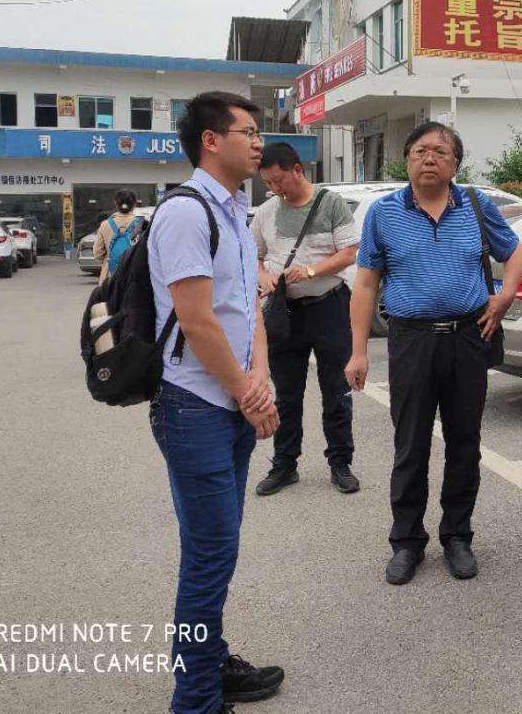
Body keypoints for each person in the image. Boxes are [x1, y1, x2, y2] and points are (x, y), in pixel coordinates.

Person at [147, 91, 285, 714]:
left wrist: (260, 378)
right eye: (247, 132)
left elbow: (247, 305)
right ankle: (196, 699)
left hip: (228, 399)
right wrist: (245, 392)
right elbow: (197, 320)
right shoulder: (185, 212)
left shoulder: (234, 210)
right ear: (210, 140)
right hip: (194, 405)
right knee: (209, 553)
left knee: (218, 547)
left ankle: (210, 661)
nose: (258, 143)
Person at [345, 122, 522, 586]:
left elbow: (514, 252)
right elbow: (365, 285)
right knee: (411, 444)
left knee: (465, 442)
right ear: (406, 159)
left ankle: (457, 536)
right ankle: (406, 541)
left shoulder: (477, 206)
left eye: (440, 152)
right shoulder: (384, 213)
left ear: (455, 164)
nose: (429, 158)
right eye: (420, 150)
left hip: (469, 338)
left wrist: (504, 296)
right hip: (411, 340)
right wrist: (358, 352)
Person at [250, 142, 361, 497]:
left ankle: (340, 462)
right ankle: (284, 464)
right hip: (284, 312)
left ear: (297, 170)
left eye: (279, 180)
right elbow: (253, 256)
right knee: (286, 393)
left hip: (329, 306)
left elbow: (349, 253)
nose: (275, 188)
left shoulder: (331, 203)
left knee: (336, 389)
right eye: (268, 183)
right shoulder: (267, 211)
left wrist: (311, 270)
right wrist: (264, 277)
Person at [94, 189, 143, 284]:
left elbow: (97, 254)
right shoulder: (140, 224)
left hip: (109, 278)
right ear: (134, 204)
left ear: (116, 204)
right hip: (133, 279)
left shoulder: (105, 224)